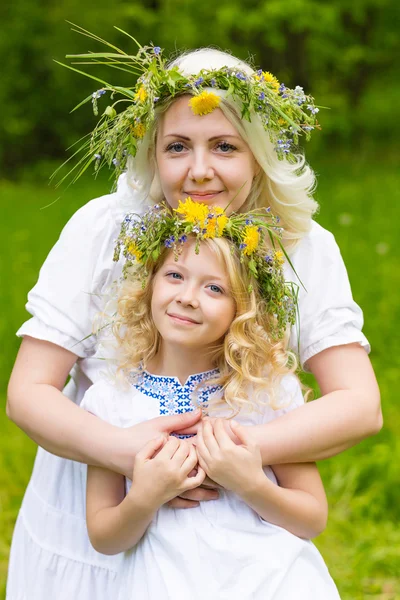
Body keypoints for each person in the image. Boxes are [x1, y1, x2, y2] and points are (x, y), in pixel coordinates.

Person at [6, 30, 381, 600]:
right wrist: (128, 453)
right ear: (152, 151)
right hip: (101, 525)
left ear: (257, 152)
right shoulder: (105, 228)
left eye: (225, 147)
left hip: (239, 533)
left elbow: (359, 406)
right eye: (177, 146)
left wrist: (230, 455)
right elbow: (28, 391)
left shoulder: (300, 245)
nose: (199, 171)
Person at [82, 200, 340, 599]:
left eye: (214, 288)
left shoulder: (267, 392)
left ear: (243, 308)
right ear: (149, 283)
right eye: (174, 275)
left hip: (273, 582)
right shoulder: (109, 401)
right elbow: (104, 536)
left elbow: (312, 518)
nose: (188, 297)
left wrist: (251, 484)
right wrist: (145, 497)